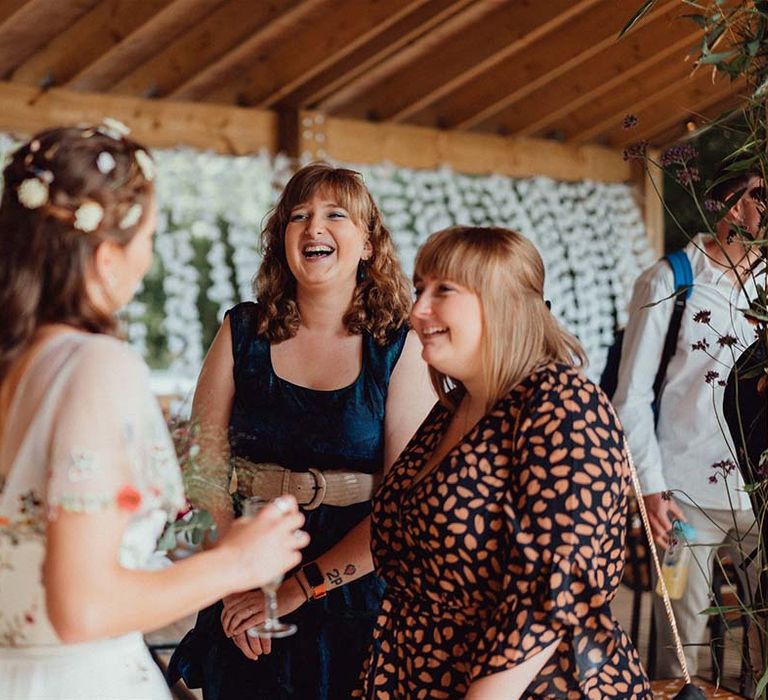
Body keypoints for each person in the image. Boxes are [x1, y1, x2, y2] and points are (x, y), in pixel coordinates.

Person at [0, 125, 309, 700]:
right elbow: (83, 607)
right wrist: (238, 563)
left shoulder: (14, 363)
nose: (147, 260)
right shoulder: (92, 366)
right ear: (110, 256)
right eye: (150, 236)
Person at [169, 163, 434, 699]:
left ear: (367, 244)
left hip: (359, 592)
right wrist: (235, 579)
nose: (314, 227)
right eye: (298, 216)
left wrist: (298, 589)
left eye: (336, 215)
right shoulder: (240, 330)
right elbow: (203, 468)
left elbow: (407, 504)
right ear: (281, 241)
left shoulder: (400, 347)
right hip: (244, 579)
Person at [355, 226, 652, 699]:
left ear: (503, 302)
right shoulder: (453, 408)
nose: (417, 311)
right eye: (419, 289)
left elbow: (555, 593)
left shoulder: (562, 405)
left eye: (443, 290)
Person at [613, 170, 764, 677]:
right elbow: (630, 394)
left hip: (759, 494)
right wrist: (652, 489)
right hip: (683, 497)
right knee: (679, 646)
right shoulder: (671, 280)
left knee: (761, 642)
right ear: (728, 204)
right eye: (758, 196)